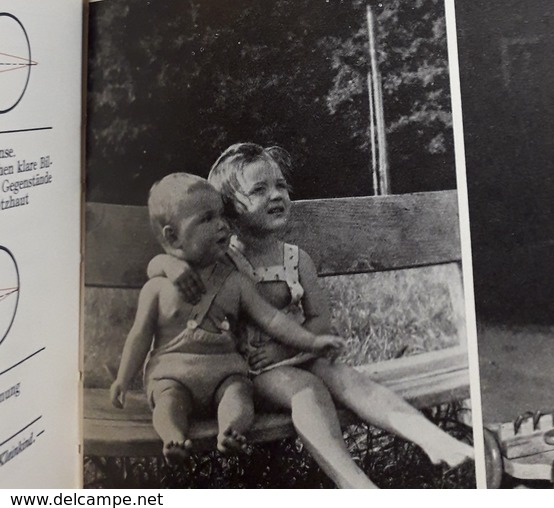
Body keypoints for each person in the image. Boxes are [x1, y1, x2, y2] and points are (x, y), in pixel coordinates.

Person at [151, 143, 473, 488]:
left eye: (280, 185)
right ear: (230, 210)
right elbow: (160, 263)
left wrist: (287, 350)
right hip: (249, 374)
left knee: (345, 376)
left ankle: (432, 439)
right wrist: (169, 265)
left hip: (296, 354)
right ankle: (355, 483)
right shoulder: (222, 262)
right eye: (259, 190)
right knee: (307, 389)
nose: (275, 195)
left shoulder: (296, 259)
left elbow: (321, 320)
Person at [111, 173, 343, 462]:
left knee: (238, 395)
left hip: (225, 375)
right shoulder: (157, 288)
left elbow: (271, 319)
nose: (222, 224)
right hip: (173, 376)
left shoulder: (235, 282)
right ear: (173, 237)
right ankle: (173, 437)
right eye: (206, 219)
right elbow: (139, 336)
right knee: (168, 402)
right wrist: (123, 378)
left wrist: (311, 341)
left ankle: (230, 432)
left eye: (221, 215)